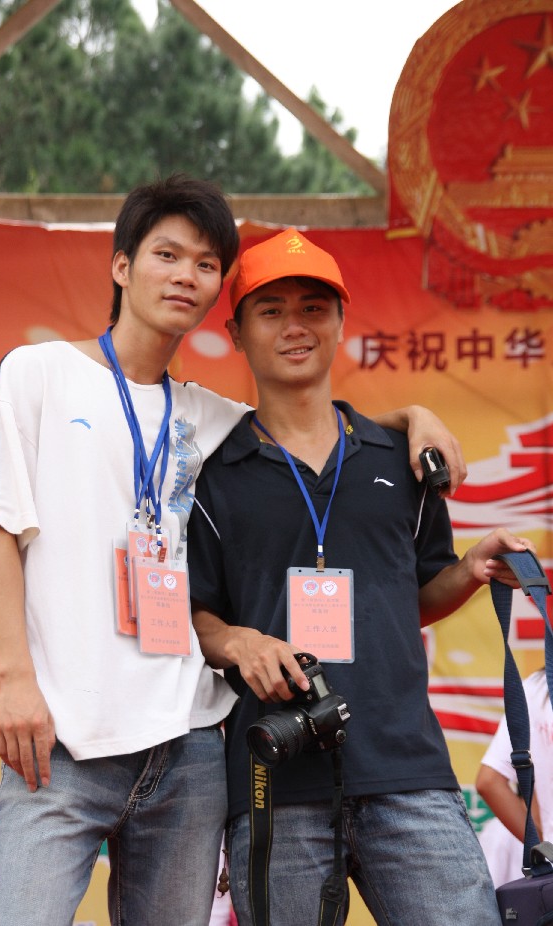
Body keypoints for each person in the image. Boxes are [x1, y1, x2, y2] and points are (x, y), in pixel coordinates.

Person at [0, 177, 466, 926]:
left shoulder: (209, 416)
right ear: (122, 265)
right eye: (166, 255)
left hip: (187, 749)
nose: (184, 276)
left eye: (204, 264)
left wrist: (413, 416)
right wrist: (15, 682)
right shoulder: (35, 374)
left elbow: (310, 422)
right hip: (61, 738)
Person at [186, 226, 537, 926]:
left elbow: (415, 597)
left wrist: (470, 569)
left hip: (408, 771)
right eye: (271, 310)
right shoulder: (212, 477)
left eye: (314, 308)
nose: (295, 326)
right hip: (275, 779)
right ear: (236, 333)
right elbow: (196, 615)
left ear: (342, 321)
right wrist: (241, 642)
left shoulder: (400, 459)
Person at [476, 667, 553, 887]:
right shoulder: (535, 687)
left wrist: (545, 850)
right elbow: (489, 781)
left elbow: (489, 781)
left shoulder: (535, 686)